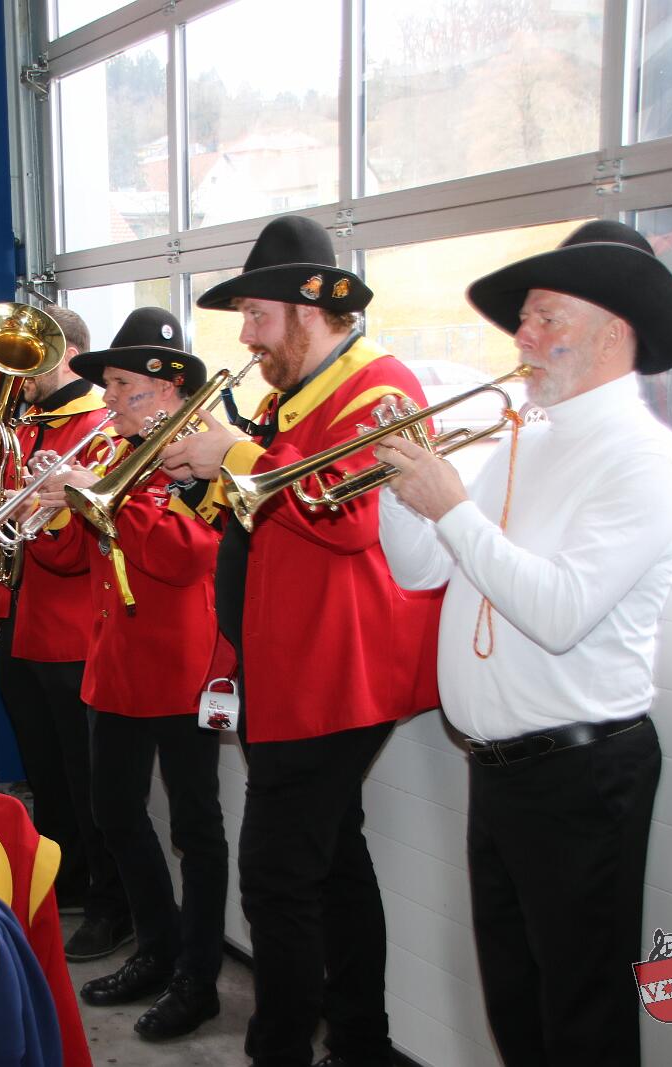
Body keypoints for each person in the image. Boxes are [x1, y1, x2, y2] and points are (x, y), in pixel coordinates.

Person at [373, 220, 672, 1065]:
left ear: (614, 333)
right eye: (524, 318)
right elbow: (420, 568)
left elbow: (559, 612)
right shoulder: (526, 440)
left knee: (583, 1017)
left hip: (581, 774)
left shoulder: (644, 459)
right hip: (502, 769)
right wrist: (395, 482)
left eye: (547, 316)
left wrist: (450, 504)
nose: (522, 335)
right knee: (516, 1003)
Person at [160, 214, 442, 1067]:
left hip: (334, 677)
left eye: (257, 315)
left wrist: (235, 456)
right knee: (334, 864)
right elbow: (263, 520)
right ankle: (362, 1042)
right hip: (288, 671)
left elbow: (347, 518)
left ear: (310, 310)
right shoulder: (291, 398)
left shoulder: (379, 389)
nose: (246, 336)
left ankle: (280, 1050)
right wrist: (200, 478)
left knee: (278, 880)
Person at [29, 307, 228, 1042]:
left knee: (196, 827)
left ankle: (198, 977)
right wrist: (55, 510)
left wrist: (100, 498)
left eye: (120, 386)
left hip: (183, 664)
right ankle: (157, 946)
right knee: (113, 810)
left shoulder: (201, 453)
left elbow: (184, 555)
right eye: (108, 384)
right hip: (114, 658)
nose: (107, 398)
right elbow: (69, 561)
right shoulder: (117, 451)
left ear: (167, 387)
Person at [0, 305, 133, 961]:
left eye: (27, 361)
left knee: (88, 777)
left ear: (65, 355)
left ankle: (110, 903)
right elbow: (11, 518)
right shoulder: (26, 423)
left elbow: (75, 546)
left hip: (73, 625)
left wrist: (35, 502)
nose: (15, 375)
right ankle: (67, 878)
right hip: (22, 619)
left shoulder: (95, 425)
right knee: (46, 769)